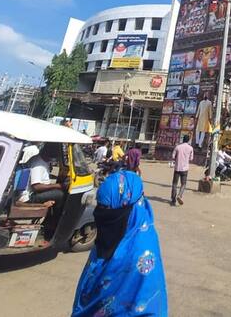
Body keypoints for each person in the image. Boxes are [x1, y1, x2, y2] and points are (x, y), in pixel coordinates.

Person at [72, 169, 167, 317]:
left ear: (125, 207)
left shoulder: (140, 253)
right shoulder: (110, 236)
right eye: (100, 206)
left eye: (106, 209)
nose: (100, 214)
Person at [171, 135, 193, 206]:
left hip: (177, 168)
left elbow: (173, 156)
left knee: (174, 184)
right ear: (188, 140)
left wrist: (177, 158)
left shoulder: (178, 147)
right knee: (183, 184)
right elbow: (191, 159)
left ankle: (173, 199)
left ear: (183, 139)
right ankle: (179, 195)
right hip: (185, 168)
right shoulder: (190, 148)